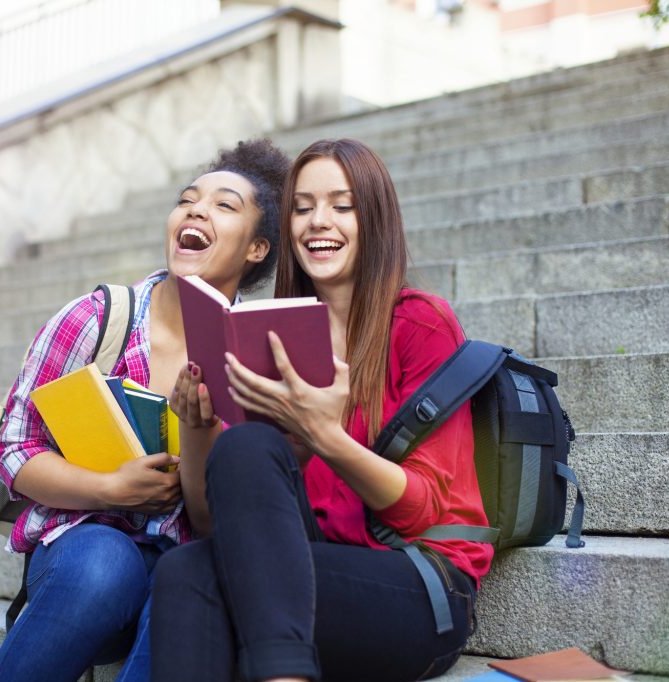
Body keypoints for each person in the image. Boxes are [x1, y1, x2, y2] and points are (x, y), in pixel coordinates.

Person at [153, 138, 494, 682]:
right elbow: (214, 523)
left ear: (375, 217)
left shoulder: (420, 323)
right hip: (304, 572)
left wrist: (323, 434)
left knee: (205, 574)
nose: (319, 222)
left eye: (342, 205)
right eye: (303, 207)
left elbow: (425, 511)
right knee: (183, 566)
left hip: (417, 582)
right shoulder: (269, 337)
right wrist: (196, 430)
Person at [0, 139, 291, 682]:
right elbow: (13, 448)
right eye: (188, 199)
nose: (196, 209)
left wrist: (200, 441)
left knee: (194, 579)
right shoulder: (97, 318)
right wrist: (110, 490)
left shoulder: (254, 358)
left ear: (258, 249)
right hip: (82, 560)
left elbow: (220, 516)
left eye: (225, 205)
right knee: (106, 561)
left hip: (182, 572)